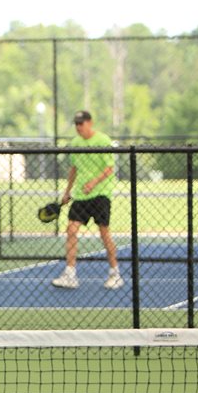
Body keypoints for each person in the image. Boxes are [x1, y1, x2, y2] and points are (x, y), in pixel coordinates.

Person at [51, 111, 123, 290]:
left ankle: (115, 273)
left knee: (104, 232)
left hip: (100, 194)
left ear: (90, 123)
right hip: (81, 195)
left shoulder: (103, 140)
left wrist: (94, 182)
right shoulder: (75, 143)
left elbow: (109, 168)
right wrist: (67, 192)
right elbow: (74, 169)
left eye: (81, 123)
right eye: (76, 123)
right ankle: (70, 274)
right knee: (71, 229)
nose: (78, 127)